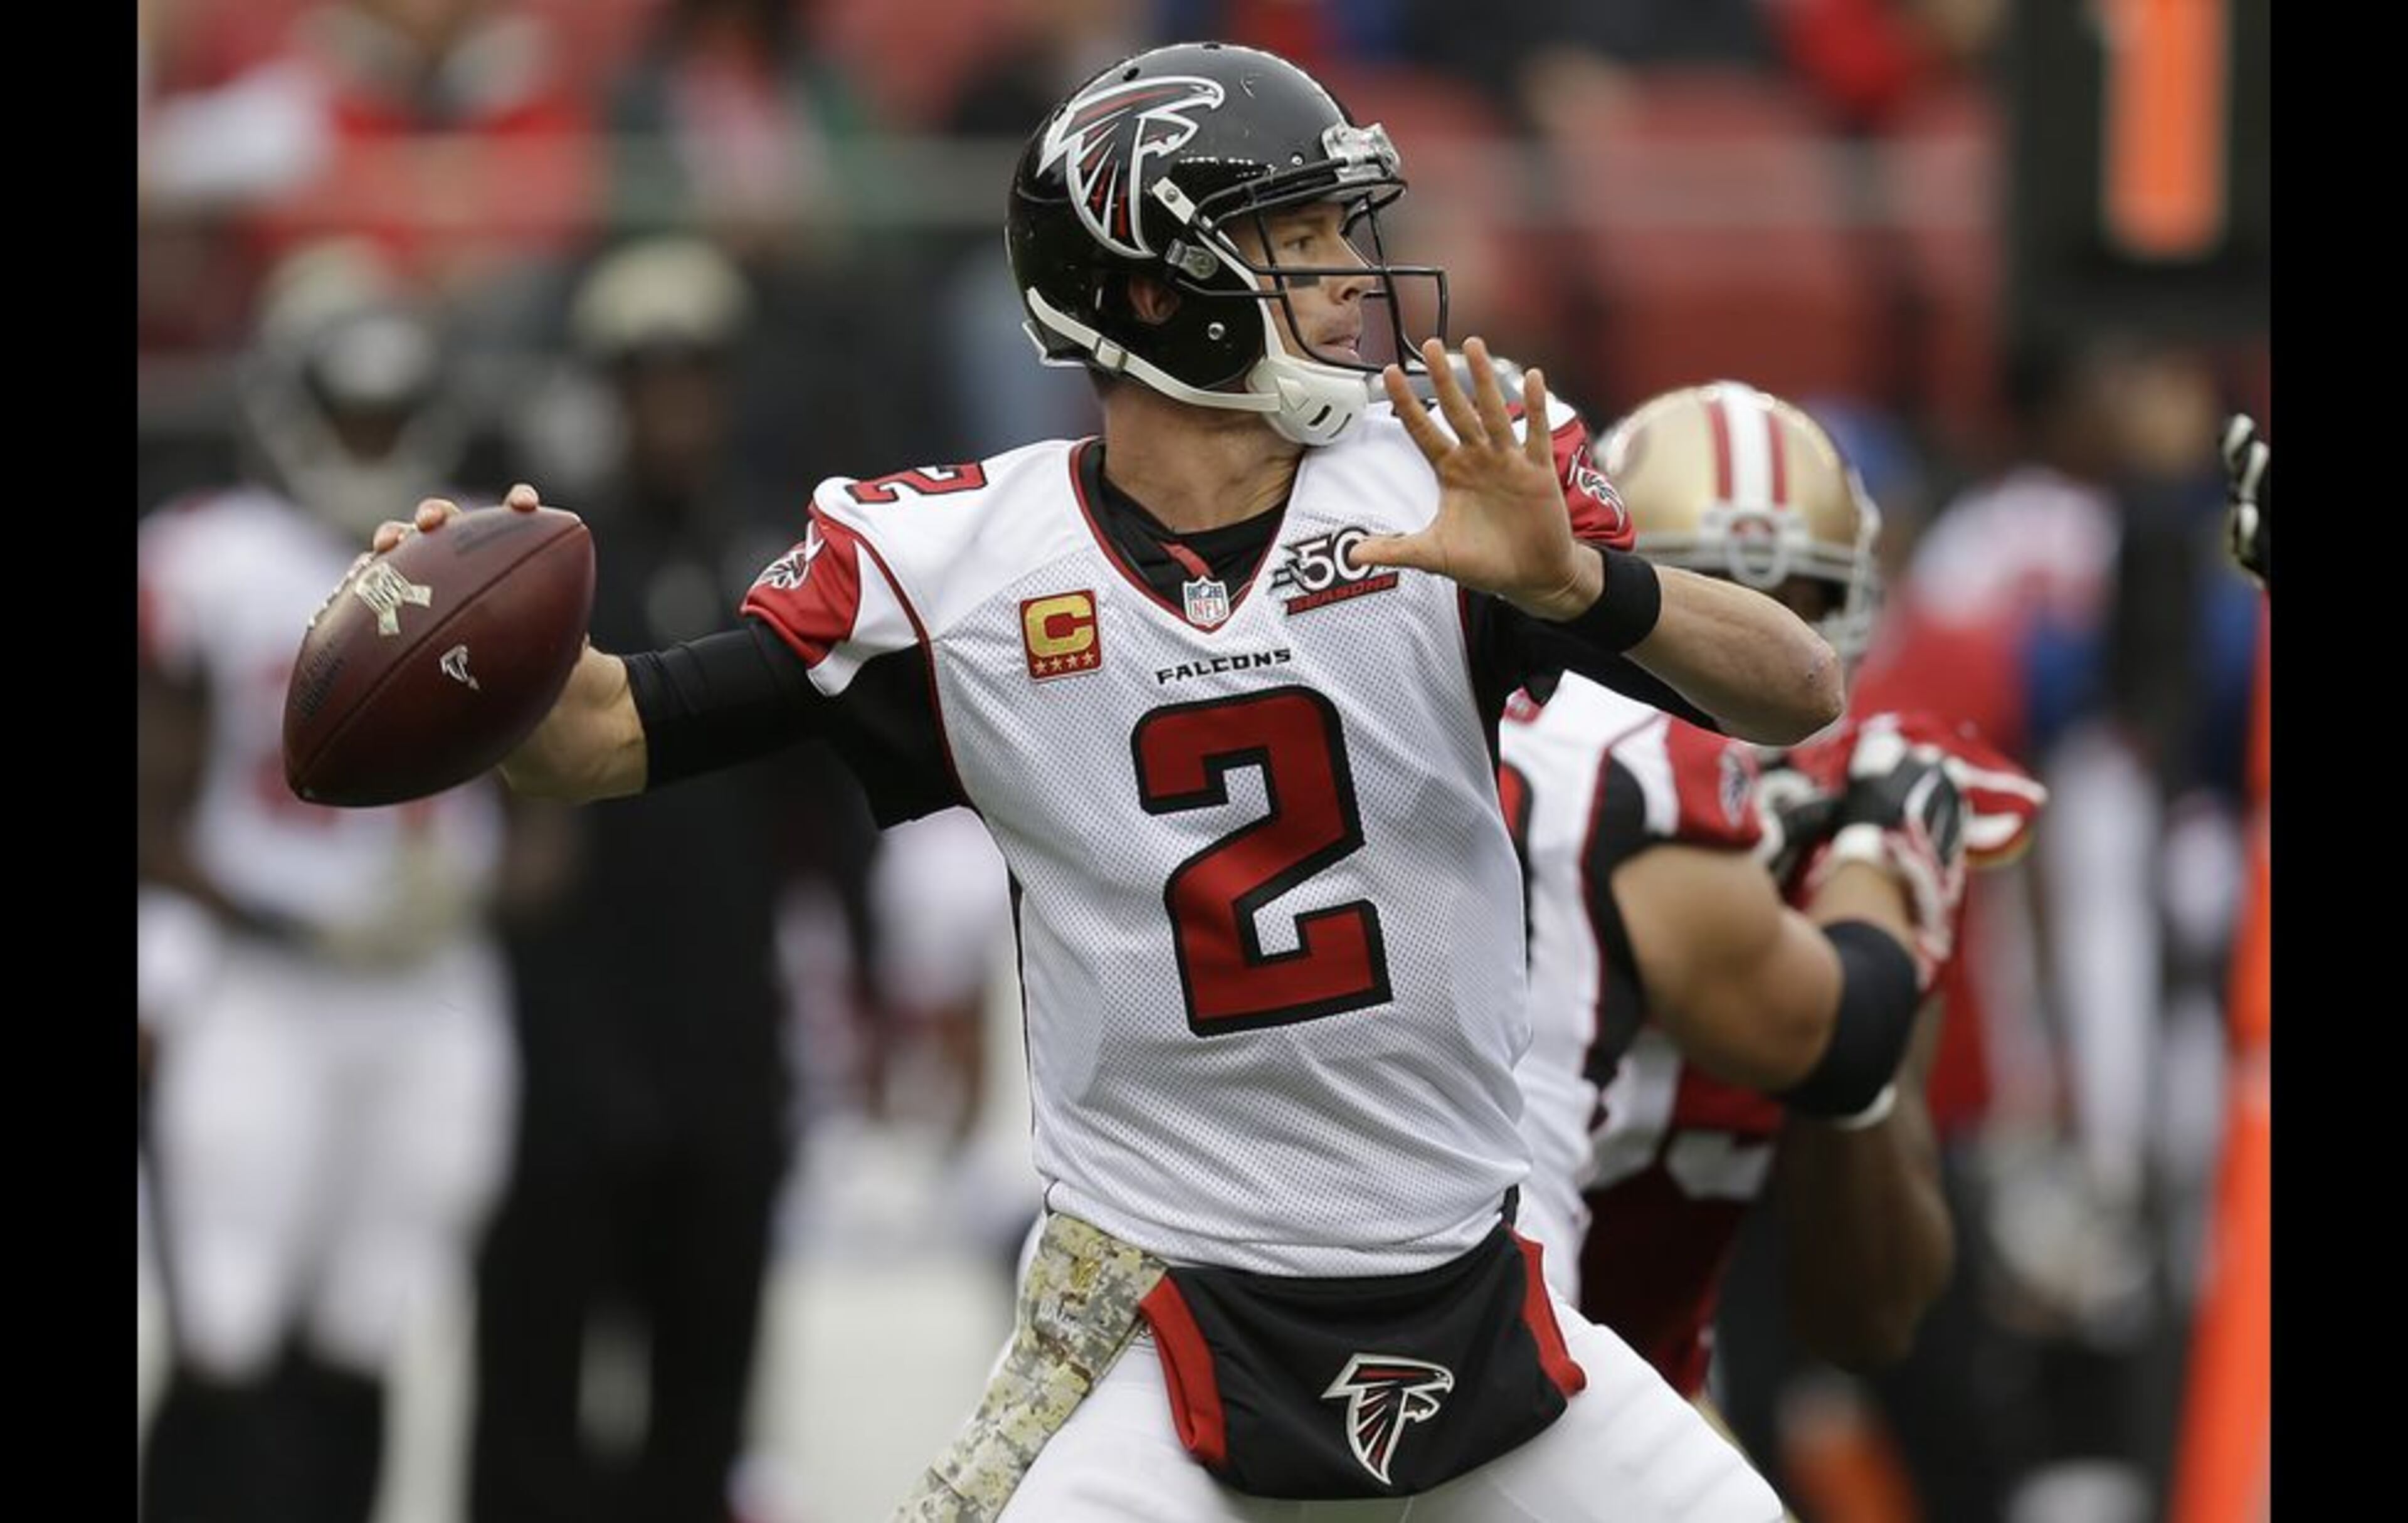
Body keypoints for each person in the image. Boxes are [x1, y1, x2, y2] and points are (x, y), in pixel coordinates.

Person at [349, 42, 1848, 1521]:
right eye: (1298, 239)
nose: (1350, 276)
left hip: (1475, 1296)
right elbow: (599, 740)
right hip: (1164, 1318)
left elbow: (1796, 689)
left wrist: (1585, 585)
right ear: (1152, 292)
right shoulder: (964, 570)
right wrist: (479, 645)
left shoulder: (1441, 489)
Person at [1498, 383, 2044, 1507]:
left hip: (1634, 1386)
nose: (1759, 645)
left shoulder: (1852, 838)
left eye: (1801, 605)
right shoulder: (1530, 771)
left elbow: (1871, 1313)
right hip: (1474, 1340)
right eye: (1712, 592)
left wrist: (1871, 920)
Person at [137, 241, 558, 1523]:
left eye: (389, 409)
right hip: (261, 982)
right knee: (227, 1315)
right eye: (348, 408)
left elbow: (558, 800)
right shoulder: (210, 559)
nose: (370, 436)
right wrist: (275, 912)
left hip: (432, 986)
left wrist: (483, 890)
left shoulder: (484, 553)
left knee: (376, 1317)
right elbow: (149, 798)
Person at [466, 237, 843, 1523]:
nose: (677, 403)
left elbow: (828, 790)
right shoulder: (549, 562)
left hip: (727, 1019)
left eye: (698, 375)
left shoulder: (780, 550)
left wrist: (868, 960)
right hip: (566, 1019)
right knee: (536, 1372)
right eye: (649, 376)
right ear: (609, 388)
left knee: (706, 1384)